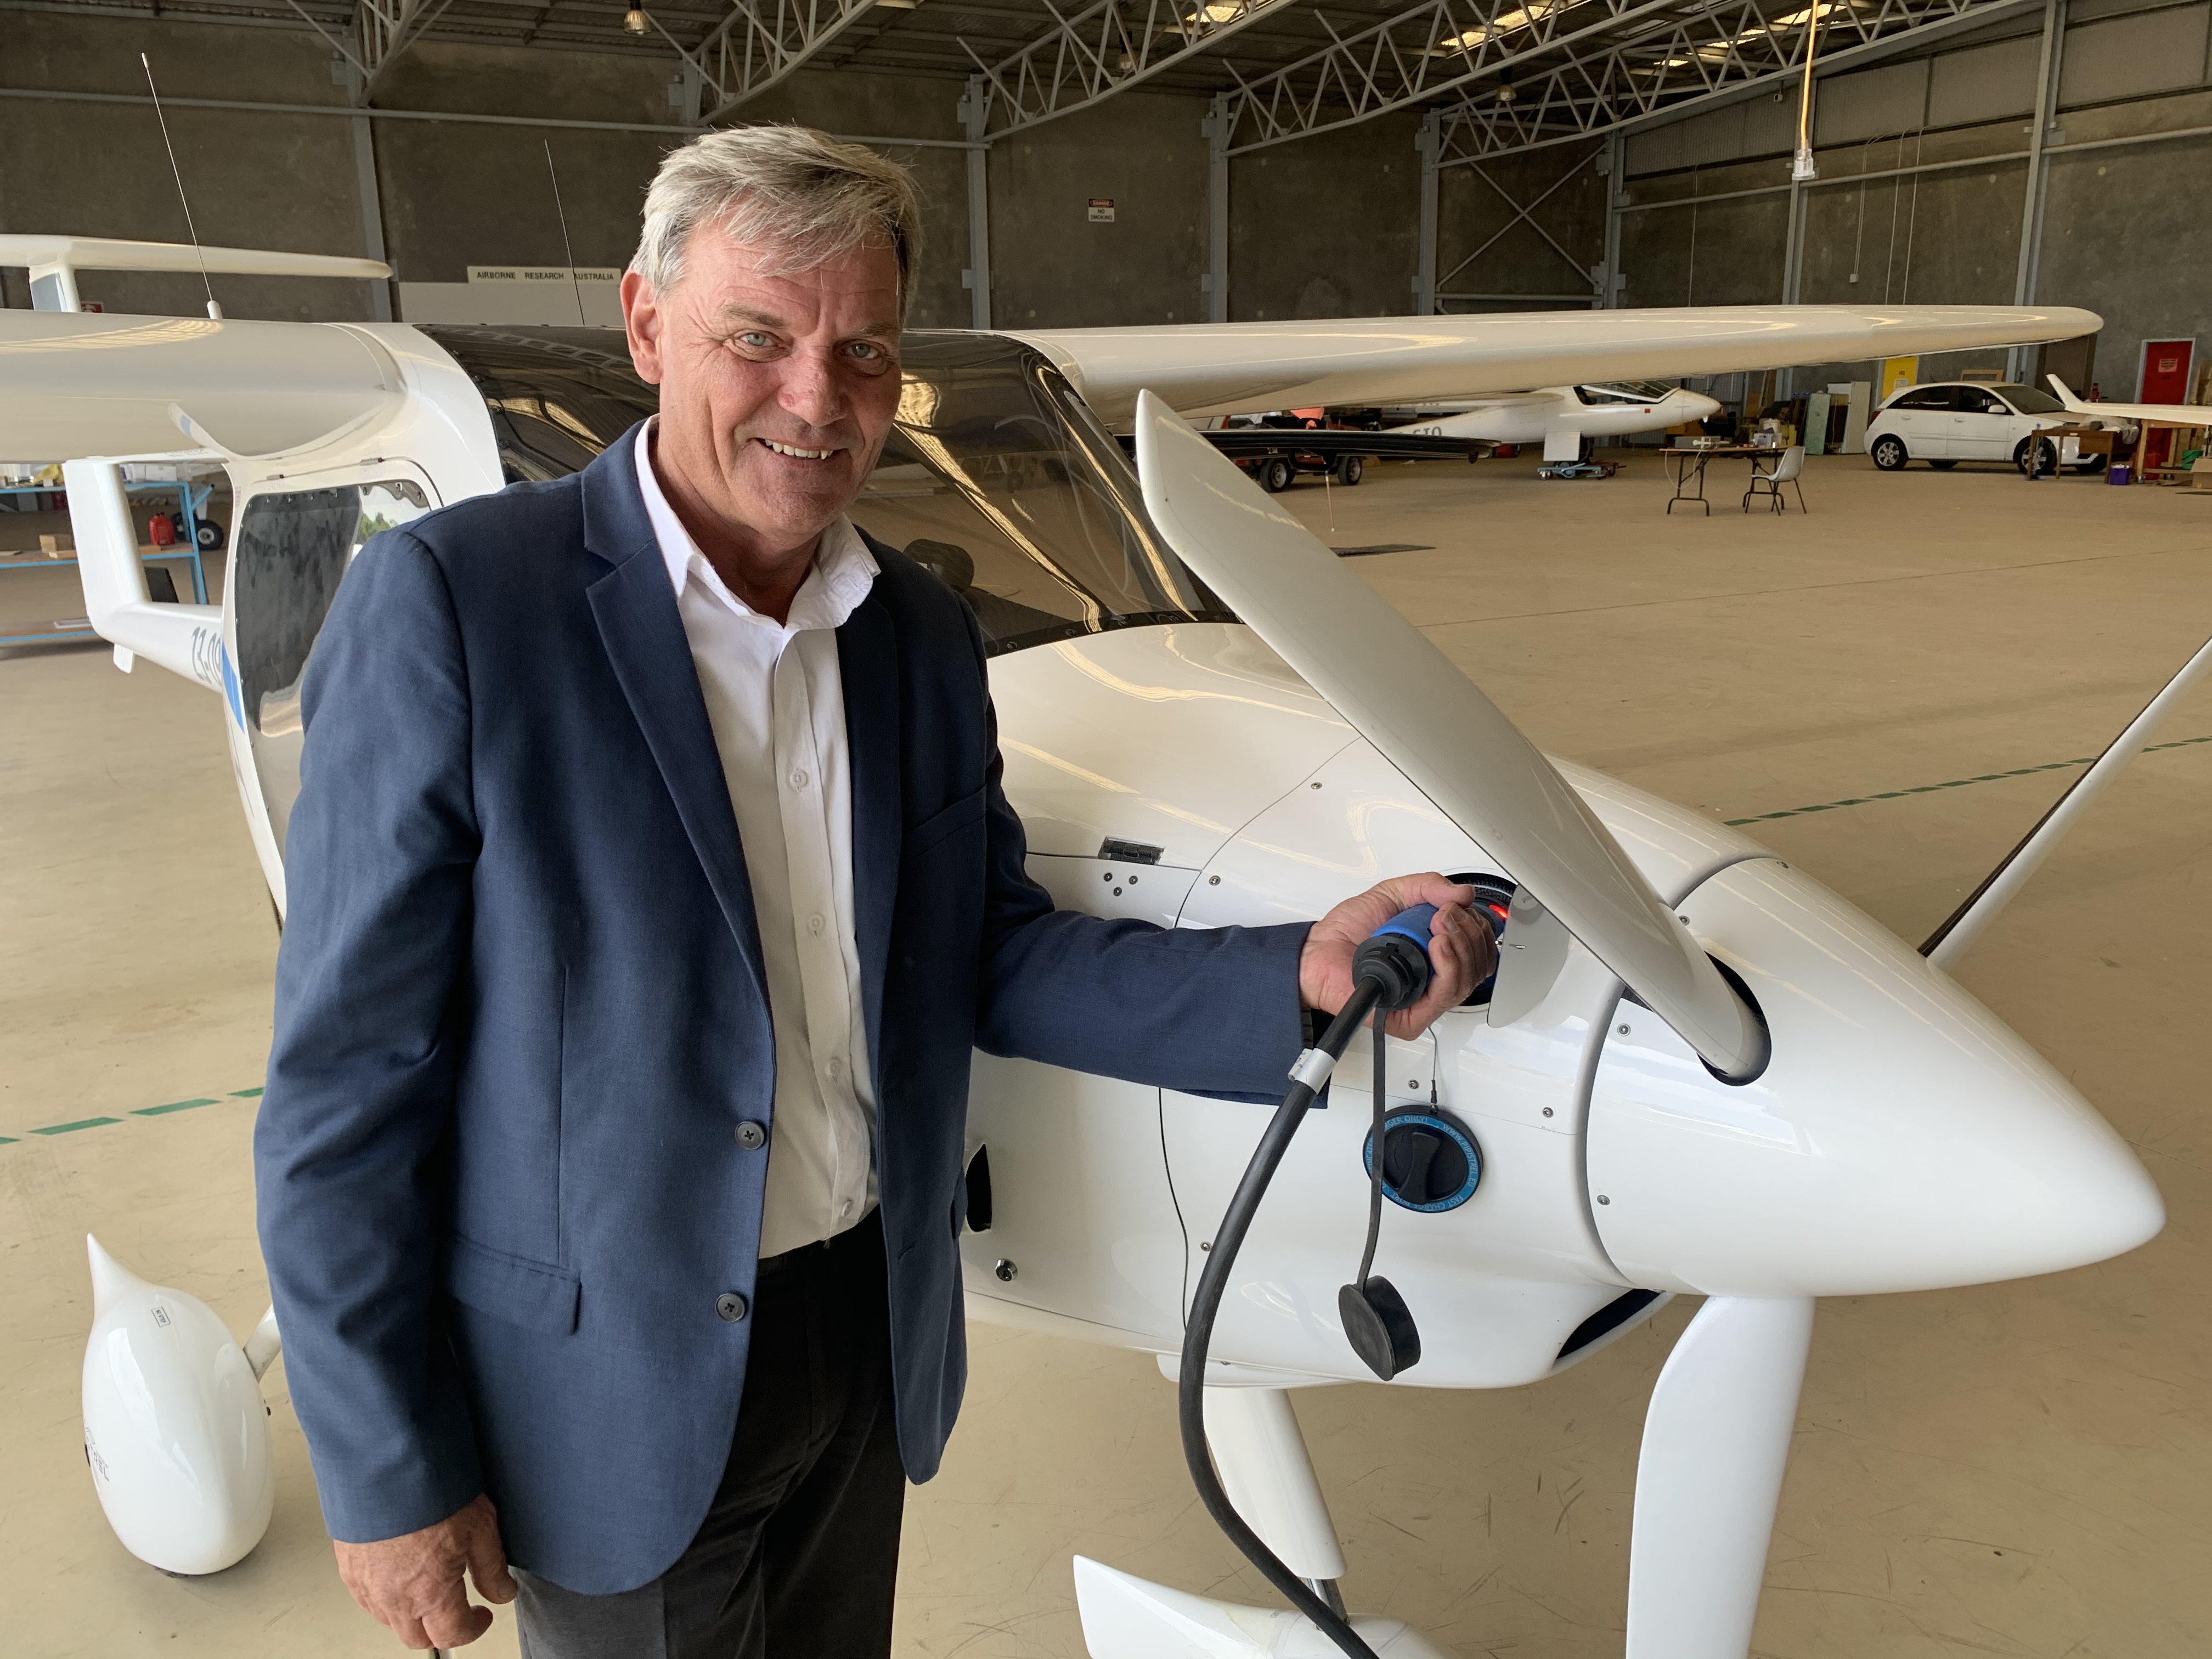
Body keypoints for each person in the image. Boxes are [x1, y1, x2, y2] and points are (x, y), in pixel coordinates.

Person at [254, 125, 1493, 1659]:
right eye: (756, 340)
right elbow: (347, 1082)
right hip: (608, 1383)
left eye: (864, 353)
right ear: (647, 325)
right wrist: (388, 1472)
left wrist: (1287, 971)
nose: (817, 399)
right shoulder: (454, 606)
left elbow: (986, 954)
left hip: (863, 1334)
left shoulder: (915, 632)